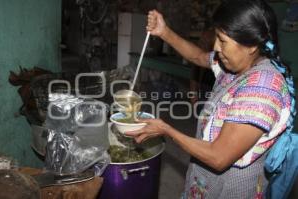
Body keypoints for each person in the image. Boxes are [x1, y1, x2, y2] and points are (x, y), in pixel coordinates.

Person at [125, 0, 296, 198]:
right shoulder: (236, 65)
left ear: (251, 45)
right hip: (206, 179)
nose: (216, 46)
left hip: (232, 188)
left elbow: (218, 157)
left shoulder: (263, 88)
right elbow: (198, 56)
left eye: (223, 41)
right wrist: (164, 32)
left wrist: (165, 129)